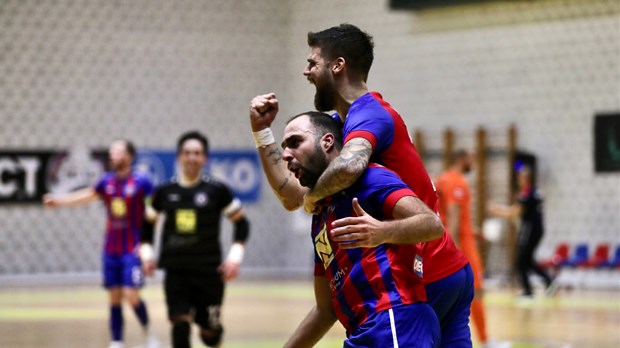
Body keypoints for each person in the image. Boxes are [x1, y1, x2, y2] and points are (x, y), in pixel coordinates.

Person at [249, 23, 473, 347]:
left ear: (337, 65)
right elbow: (289, 194)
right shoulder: (343, 125)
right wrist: (261, 133)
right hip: (447, 264)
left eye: (313, 63)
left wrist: (311, 199)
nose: (306, 71)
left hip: (421, 271)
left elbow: (348, 166)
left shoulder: (370, 113)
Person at [281, 112, 442, 347]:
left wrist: (381, 231)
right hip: (364, 332)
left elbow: (432, 224)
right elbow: (325, 311)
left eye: (295, 143)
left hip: (394, 321)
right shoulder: (320, 215)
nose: (286, 155)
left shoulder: (369, 178)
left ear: (326, 142)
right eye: (284, 147)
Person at [43, 139, 159, 348]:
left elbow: (155, 209)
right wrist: (59, 201)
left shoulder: (142, 182)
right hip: (111, 248)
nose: (113, 155)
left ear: (129, 157)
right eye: (112, 151)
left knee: (131, 293)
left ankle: (148, 332)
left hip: (133, 248)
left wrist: (149, 240)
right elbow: (88, 196)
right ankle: (116, 341)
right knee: (114, 295)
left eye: (118, 151)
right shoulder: (107, 182)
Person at [139, 131, 250, 348]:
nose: (192, 157)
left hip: (209, 271)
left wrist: (234, 258)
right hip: (176, 270)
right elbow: (147, 225)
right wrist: (147, 255)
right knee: (180, 324)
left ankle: (212, 331)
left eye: (197, 153)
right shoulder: (164, 191)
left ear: (205, 158)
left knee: (210, 334)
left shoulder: (217, 190)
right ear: (179, 157)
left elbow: (242, 223)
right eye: (187, 153)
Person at [435, 149, 489, 347]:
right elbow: (453, 216)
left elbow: (444, 216)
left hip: (453, 239)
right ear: (461, 159)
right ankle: (485, 339)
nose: (473, 162)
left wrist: (472, 231)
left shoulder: (442, 179)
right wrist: (454, 251)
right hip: (461, 247)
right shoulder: (458, 182)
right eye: (471, 159)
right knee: (476, 290)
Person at [487, 165, 555, 300]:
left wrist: (497, 210)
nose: (518, 180)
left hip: (529, 230)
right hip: (537, 229)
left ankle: (528, 292)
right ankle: (549, 281)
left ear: (526, 179)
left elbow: (516, 211)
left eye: (520, 177)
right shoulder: (536, 191)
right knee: (527, 260)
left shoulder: (526, 193)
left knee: (520, 261)